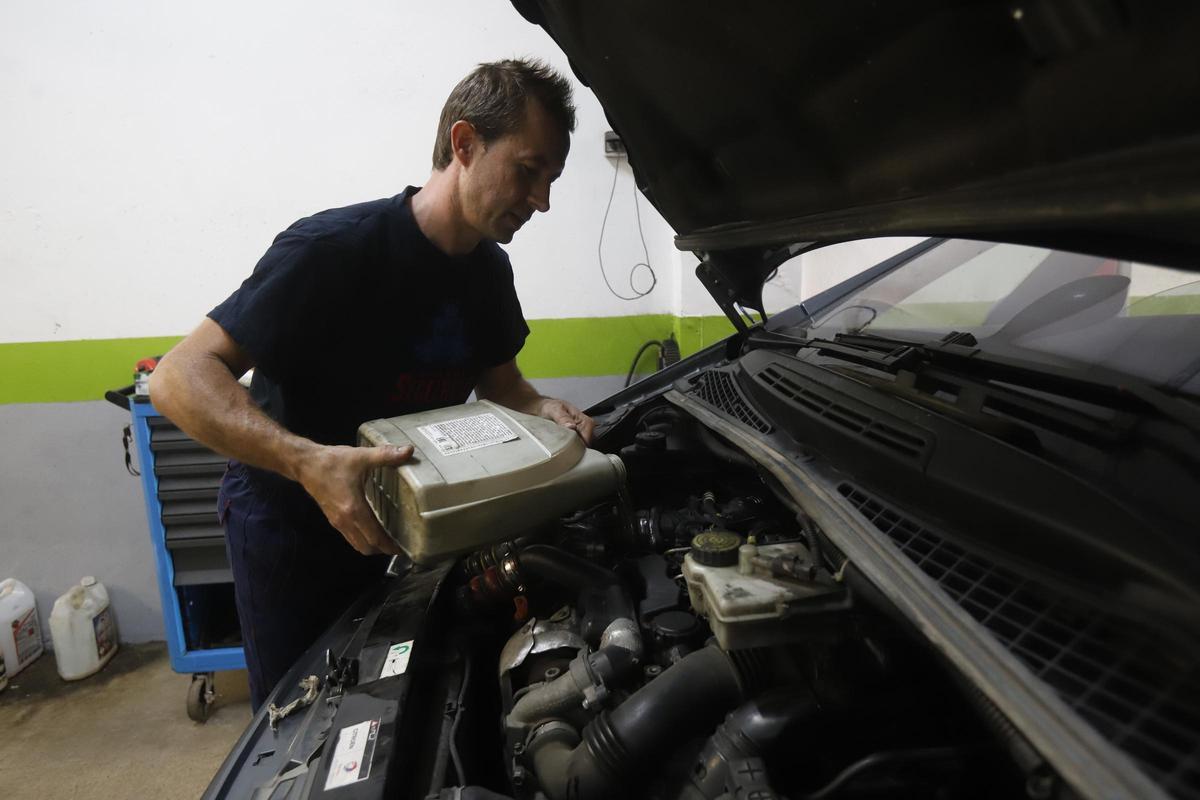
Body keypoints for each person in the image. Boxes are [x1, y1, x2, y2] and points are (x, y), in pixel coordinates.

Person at [150, 58, 595, 710]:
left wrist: (548, 407)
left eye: (552, 180)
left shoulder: (487, 276)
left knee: (392, 706)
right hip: (290, 532)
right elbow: (176, 377)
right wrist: (308, 463)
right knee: (299, 714)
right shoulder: (330, 251)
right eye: (528, 171)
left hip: (407, 524)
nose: (542, 202)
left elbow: (507, 388)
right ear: (465, 144)